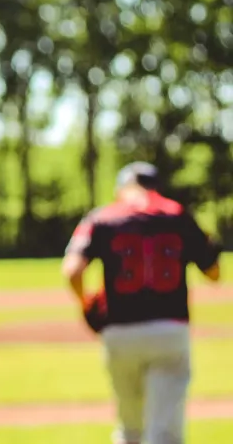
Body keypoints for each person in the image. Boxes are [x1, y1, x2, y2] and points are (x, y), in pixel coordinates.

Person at [63, 161, 222, 444]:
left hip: (119, 331)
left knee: (129, 429)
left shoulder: (102, 216)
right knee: (164, 434)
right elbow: (213, 272)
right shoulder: (176, 213)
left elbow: (73, 270)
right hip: (168, 328)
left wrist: (85, 302)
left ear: (121, 188)